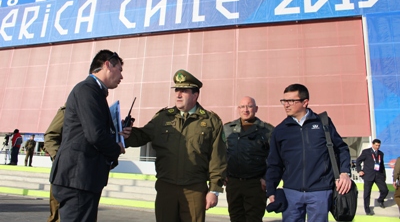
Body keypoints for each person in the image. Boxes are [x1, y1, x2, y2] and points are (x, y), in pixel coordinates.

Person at [124, 69, 227, 222]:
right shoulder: (162, 118)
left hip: (195, 188)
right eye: (177, 90)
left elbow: (217, 158)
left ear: (195, 94)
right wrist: (127, 133)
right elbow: (142, 136)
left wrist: (214, 190)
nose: (178, 95)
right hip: (167, 187)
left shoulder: (211, 122)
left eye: (183, 91)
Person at [49, 50, 127, 222]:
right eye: (120, 70)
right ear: (108, 64)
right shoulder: (87, 90)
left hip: (82, 178)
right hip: (77, 179)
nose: (121, 76)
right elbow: (95, 135)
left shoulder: (95, 92)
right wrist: (116, 148)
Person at [266, 83, 352, 222]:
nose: (286, 105)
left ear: (305, 102)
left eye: (291, 101)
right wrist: (271, 190)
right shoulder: (280, 130)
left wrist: (344, 172)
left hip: (320, 191)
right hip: (291, 193)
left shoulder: (323, 123)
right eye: (284, 101)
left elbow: (341, 148)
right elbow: (274, 163)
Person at [224, 96, 274, 222]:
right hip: (233, 183)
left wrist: (266, 178)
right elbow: (220, 154)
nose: (245, 110)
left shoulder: (267, 130)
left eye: (249, 106)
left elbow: (274, 158)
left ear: (256, 109)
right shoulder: (228, 129)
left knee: (254, 219)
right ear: (238, 109)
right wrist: (222, 174)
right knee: (235, 217)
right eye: (242, 107)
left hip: (255, 184)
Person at [356, 138, 389, 215]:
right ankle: (367, 210)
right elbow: (358, 161)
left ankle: (380, 200)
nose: (377, 147)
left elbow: (382, 165)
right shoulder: (366, 152)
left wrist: (384, 175)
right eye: (376, 145)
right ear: (373, 144)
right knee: (367, 193)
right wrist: (359, 170)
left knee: (385, 190)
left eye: (379, 145)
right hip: (368, 175)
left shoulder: (381, 153)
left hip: (379, 175)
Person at [44, 105, 65, 222]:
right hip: (63, 169)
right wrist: (59, 159)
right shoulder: (67, 111)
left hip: (84, 172)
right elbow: (50, 136)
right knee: (57, 213)